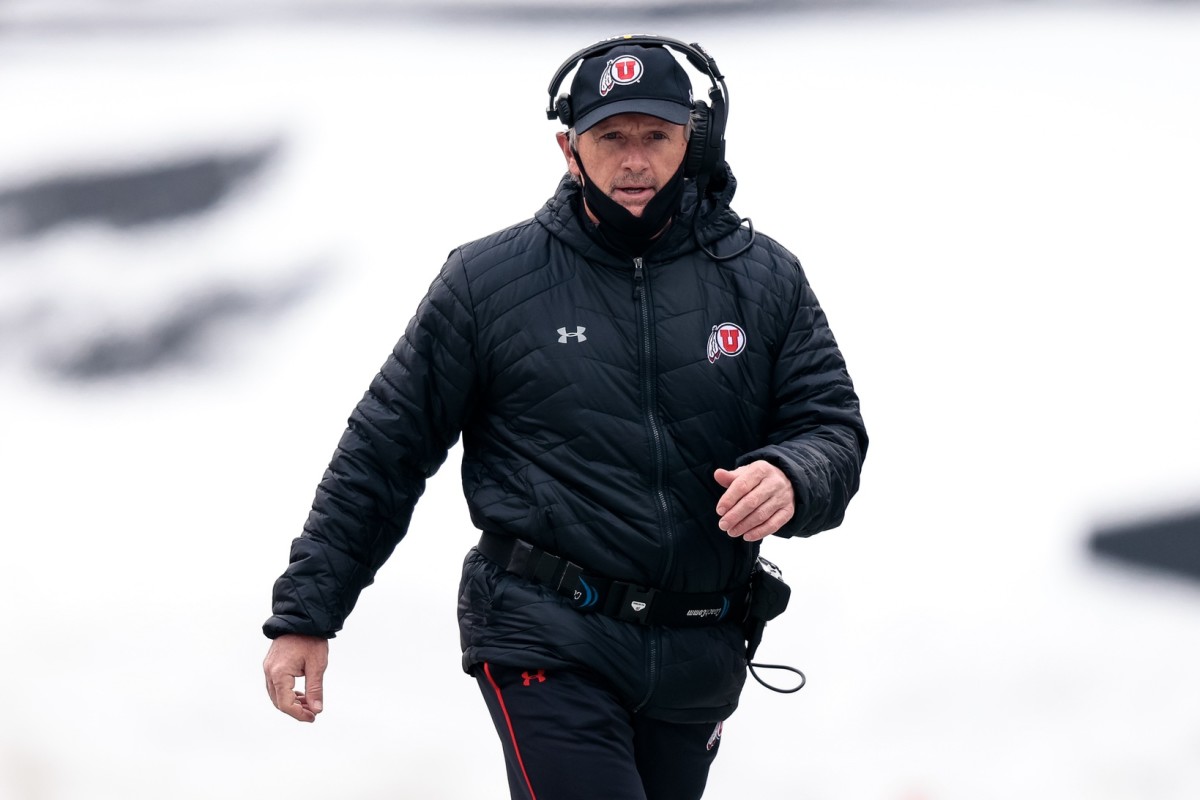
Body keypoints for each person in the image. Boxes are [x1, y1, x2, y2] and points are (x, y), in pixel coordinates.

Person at [263, 34, 867, 800]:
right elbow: (384, 450)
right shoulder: (485, 283)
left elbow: (832, 428)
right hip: (543, 636)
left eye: (657, 135)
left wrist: (793, 474)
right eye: (611, 138)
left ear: (696, 136)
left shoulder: (765, 277)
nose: (637, 162)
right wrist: (306, 614)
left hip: (698, 648)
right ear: (568, 148)